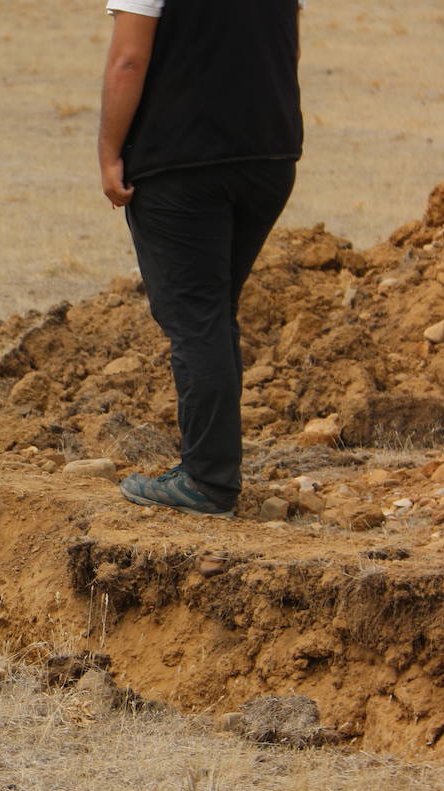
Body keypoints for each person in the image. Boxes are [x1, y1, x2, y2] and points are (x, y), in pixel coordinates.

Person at [98, 0, 302, 518]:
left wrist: (108, 151)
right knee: (214, 315)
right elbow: (287, 45)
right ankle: (214, 470)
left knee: (196, 320)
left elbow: (128, 60)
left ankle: (206, 483)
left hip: (182, 161)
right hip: (270, 155)